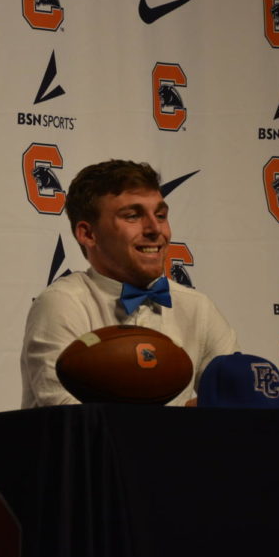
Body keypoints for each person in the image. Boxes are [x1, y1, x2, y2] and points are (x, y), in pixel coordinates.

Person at [20, 159, 239, 407]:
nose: (155, 228)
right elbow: (68, 414)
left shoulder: (198, 308)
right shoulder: (62, 303)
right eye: (133, 216)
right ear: (88, 234)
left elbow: (236, 402)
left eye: (161, 215)